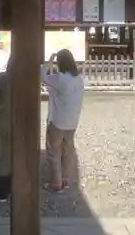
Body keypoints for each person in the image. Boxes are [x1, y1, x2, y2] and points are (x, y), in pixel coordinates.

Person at [41, 49, 84, 193]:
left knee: (54, 152)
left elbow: (42, 75)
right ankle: (65, 179)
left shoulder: (60, 78)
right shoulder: (79, 80)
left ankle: (56, 183)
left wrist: (50, 60)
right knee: (68, 151)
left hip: (58, 121)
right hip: (72, 121)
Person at [0, 60, 12, 202]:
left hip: (4, 118)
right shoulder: (27, 79)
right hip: (23, 121)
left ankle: (3, 190)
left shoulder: (2, 78)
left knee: (2, 152)